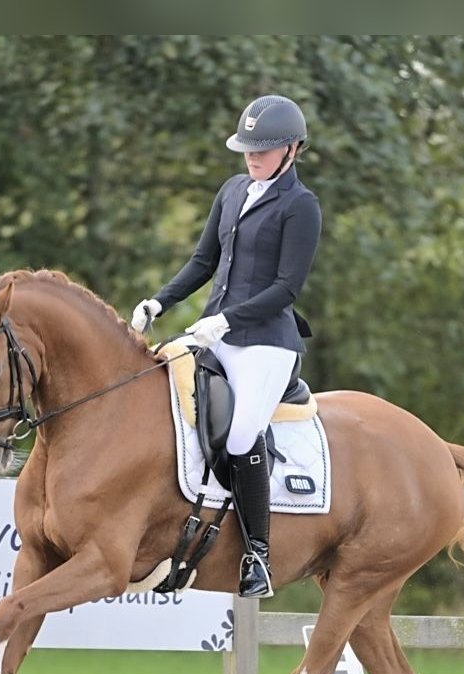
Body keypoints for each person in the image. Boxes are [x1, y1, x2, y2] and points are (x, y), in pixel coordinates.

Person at [131, 94, 321, 599]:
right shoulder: (234, 190)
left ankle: (257, 553)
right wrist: (160, 302)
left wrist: (226, 320)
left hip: (265, 343)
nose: (252, 157)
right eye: (248, 149)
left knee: (240, 437)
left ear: (292, 149)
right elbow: (202, 261)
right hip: (215, 330)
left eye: (264, 149)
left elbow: (286, 288)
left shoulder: (301, 207)